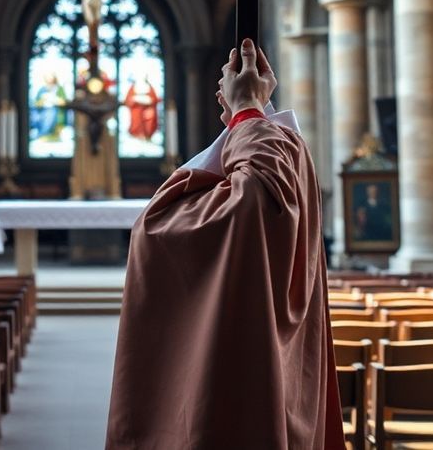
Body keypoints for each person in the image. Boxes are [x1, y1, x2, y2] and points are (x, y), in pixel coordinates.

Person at [106, 39, 345, 450]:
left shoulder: (268, 188)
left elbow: (173, 222)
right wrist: (249, 116)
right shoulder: (294, 168)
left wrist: (249, 115)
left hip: (231, 398)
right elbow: (270, 176)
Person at [122, 75, 160, 141]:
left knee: (148, 124)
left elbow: (154, 99)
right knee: (136, 123)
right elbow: (128, 100)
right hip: (136, 111)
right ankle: (136, 135)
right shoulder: (133, 87)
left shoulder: (149, 87)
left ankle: (147, 136)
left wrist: (148, 100)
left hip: (147, 112)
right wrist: (135, 99)